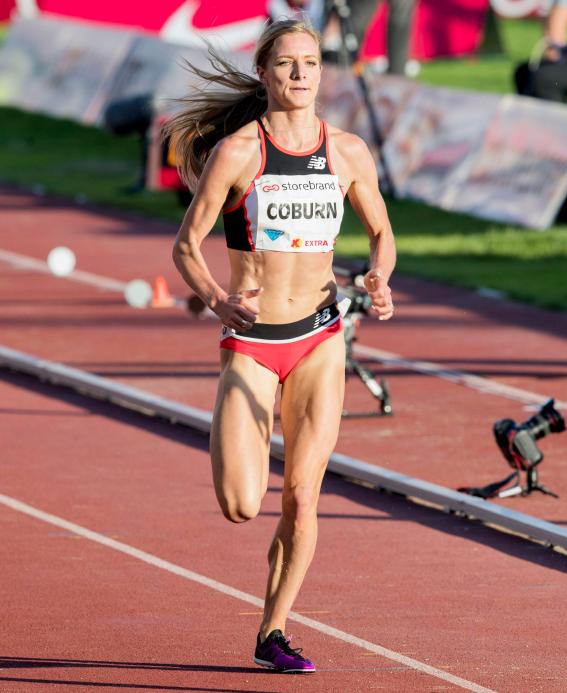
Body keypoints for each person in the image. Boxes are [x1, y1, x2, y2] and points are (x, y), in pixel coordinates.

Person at [166, 18, 396, 673]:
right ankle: (238, 427)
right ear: (265, 74)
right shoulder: (239, 152)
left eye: (311, 62)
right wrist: (218, 298)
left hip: (320, 338)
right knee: (241, 504)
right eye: (287, 63)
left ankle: (274, 628)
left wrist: (380, 276)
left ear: (322, 73)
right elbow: (186, 245)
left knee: (301, 496)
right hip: (253, 341)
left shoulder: (348, 152)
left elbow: (383, 233)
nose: (300, 73)